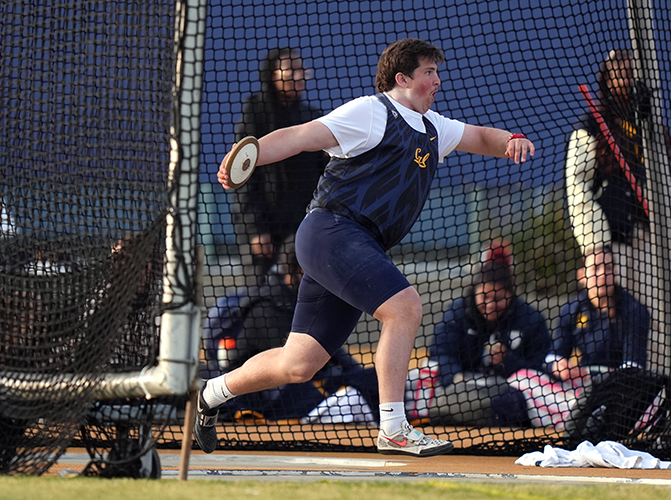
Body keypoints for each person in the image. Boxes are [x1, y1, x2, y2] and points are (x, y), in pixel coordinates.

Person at [199, 38, 536, 457]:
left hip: (360, 245)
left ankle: (213, 391)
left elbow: (482, 137)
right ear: (402, 78)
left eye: (437, 71)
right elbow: (302, 136)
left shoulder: (435, 128)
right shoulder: (373, 111)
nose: (438, 80)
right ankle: (394, 427)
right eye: (429, 72)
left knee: (299, 364)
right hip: (331, 231)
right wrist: (248, 158)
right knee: (406, 307)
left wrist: (511, 140)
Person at [201, 237, 380, 422]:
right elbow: (303, 364)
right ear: (301, 268)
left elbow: (330, 351)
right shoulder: (267, 308)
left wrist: (358, 374)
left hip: (299, 390)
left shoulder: (305, 301)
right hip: (266, 396)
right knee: (354, 388)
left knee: (372, 380)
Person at [427, 240, 550, 427]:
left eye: (499, 298)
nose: (491, 304)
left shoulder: (530, 319)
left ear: (511, 295)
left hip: (509, 393)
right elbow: (441, 352)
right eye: (485, 297)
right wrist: (454, 376)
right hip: (461, 390)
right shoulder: (458, 313)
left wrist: (507, 360)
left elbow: (540, 366)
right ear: (475, 291)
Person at [232, 47, 328, 280]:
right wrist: (256, 230)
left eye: (301, 69)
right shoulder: (255, 111)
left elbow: (322, 174)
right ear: (272, 74)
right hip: (264, 227)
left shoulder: (311, 117)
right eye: (291, 69)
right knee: (262, 298)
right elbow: (246, 176)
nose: (299, 76)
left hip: (300, 228)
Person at [565, 49, 655, 296]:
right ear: (606, 77)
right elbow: (577, 185)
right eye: (618, 69)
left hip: (649, 237)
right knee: (619, 313)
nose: (625, 75)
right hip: (611, 244)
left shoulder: (649, 124)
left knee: (654, 318)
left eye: (630, 70)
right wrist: (594, 243)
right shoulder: (592, 125)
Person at [547, 246, 649, 384]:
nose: (602, 274)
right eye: (596, 268)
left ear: (615, 273)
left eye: (608, 268)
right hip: (580, 385)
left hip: (619, 389)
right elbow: (554, 354)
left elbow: (632, 367)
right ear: (582, 275)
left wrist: (588, 374)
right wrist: (558, 366)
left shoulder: (635, 310)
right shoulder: (571, 309)